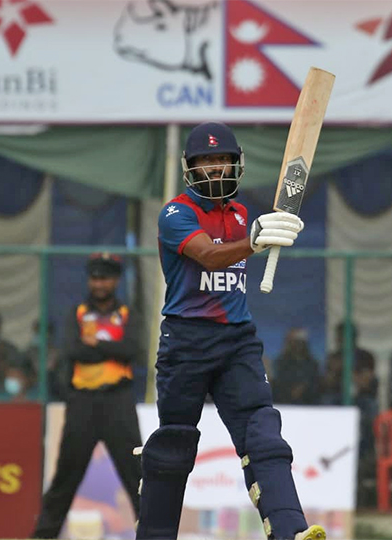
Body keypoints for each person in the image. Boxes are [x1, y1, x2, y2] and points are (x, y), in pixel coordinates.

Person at [136, 122, 323, 540]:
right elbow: (209, 256)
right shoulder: (175, 214)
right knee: (173, 447)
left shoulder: (240, 214)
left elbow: (242, 247)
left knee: (264, 434)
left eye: (223, 160)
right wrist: (256, 240)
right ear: (191, 168)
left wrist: (268, 231)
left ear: (236, 164)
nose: (216, 169)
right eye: (207, 161)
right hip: (186, 341)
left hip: (237, 339)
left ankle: (291, 531)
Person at [33, 253, 144, 538]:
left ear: (115, 280)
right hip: (82, 401)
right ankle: (43, 535)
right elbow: (73, 350)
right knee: (66, 476)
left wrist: (96, 343)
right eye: (95, 277)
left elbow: (134, 350)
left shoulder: (127, 314)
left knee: (137, 475)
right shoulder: (78, 312)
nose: (99, 283)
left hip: (118, 401)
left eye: (105, 277)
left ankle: (155, 534)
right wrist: (111, 346)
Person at [272, 328, 321, 405]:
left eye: (300, 342)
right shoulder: (281, 362)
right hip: (285, 401)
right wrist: (291, 390)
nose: (297, 345)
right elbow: (279, 380)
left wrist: (303, 388)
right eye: (294, 342)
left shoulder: (312, 363)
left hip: (309, 402)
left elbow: (315, 381)